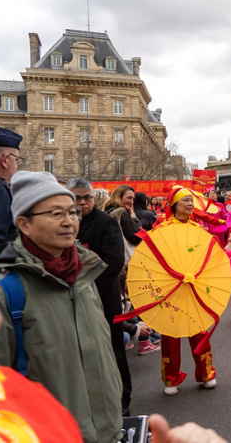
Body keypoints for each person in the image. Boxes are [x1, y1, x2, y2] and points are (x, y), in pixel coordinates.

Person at [0, 171, 122, 441]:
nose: (69, 222)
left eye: (72, 212)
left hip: (108, 430)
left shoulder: (85, 276)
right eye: (56, 214)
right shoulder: (1, 294)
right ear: (24, 224)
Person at [66, 177, 138, 417]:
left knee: (113, 349)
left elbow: (115, 260)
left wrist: (88, 287)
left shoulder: (106, 222)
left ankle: (122, 399)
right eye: (77, 198)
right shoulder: (64, 222)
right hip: (69, 300)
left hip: (103, 297)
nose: (82, 203)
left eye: (87, 197)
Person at [149, 187, 219, 396]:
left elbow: (207, 255)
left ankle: (206, 372)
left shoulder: (198, 228)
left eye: (191, 201)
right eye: (185, 201)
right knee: (171, 333)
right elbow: (154, 255)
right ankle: (171, 378)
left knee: (199, 330)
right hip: (171, 286)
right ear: (174, 205)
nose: (190, 204)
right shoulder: (162, 227)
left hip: (194, 284)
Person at [105, 184, 142, 262]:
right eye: (129, 198)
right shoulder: (123, 213)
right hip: (123, 259)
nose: (132, 202)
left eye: (133, 199)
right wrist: (135, 219)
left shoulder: (107, 211)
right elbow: (136, 237)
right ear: (118, 197)